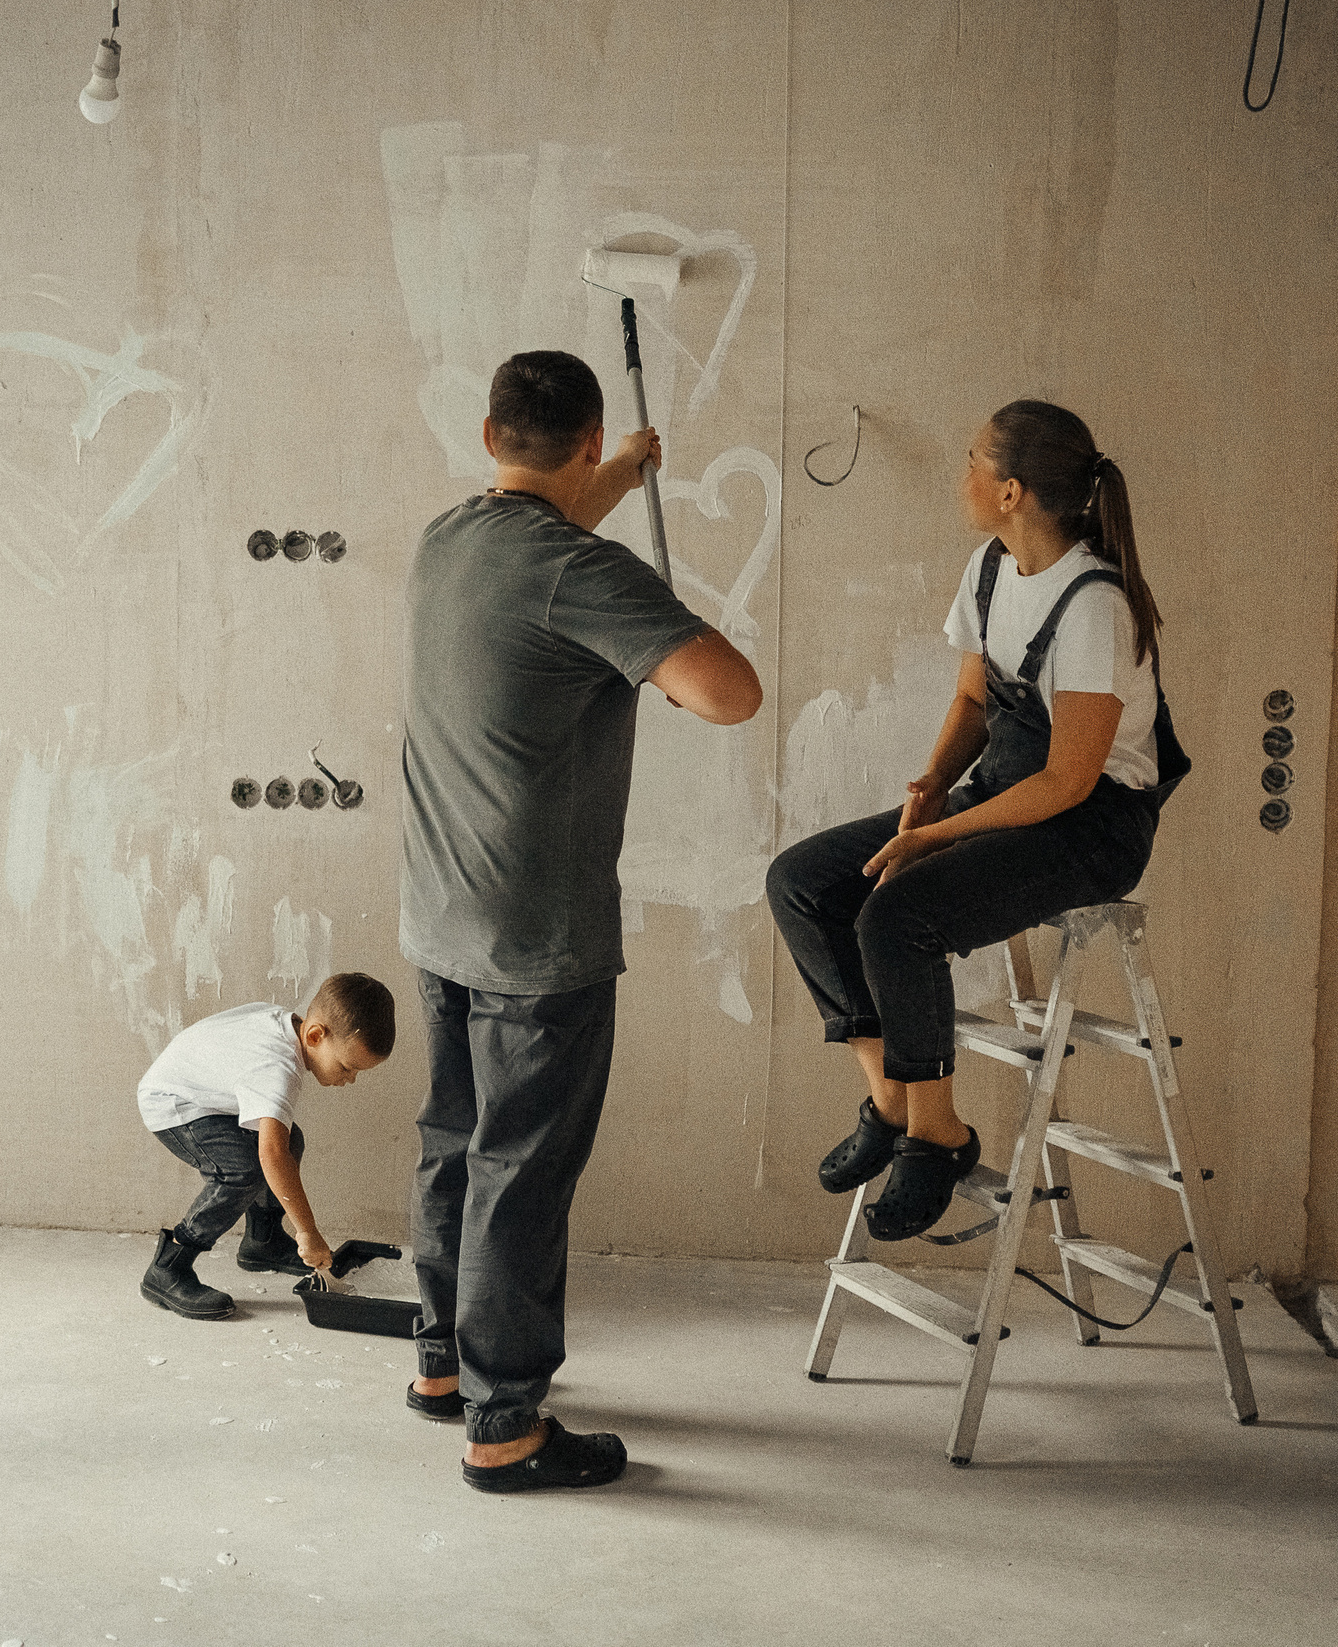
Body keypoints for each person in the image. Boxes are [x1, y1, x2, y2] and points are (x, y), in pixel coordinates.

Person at [400, 350, 764, 1494]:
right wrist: (651, 649)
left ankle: (442, 1370)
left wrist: (621, 475)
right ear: (590, 439)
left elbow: (546, 518)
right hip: (535, 936)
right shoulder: (585, 575)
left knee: (457, 1143)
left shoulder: (449, 539)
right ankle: (505, 1426)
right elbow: (729, 692)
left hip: (442, 912)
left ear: (490, 430)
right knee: (523, 1172)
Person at [764, 399, 1189, 1244]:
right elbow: (971, 696)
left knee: (899, 913)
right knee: (805, 884)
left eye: (972, 461)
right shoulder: (992, 568)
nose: (961, 475)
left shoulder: (1096, 606)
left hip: (1090, 826)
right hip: (1001, 793)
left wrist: (934, 837)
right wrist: (930, 787)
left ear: (1011, 492)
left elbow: (1069, 779)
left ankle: (938, 1135)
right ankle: (890, 1097)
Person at [136, 973, 397, 1320]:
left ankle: (263, 1242)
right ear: (315, 1035)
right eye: (348, 1067)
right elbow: (271, 1155)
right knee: (244, 1168)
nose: (349, 1079)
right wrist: (308, 1232)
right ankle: (168, 1267)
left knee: (291, 1140)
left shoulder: (286, 1027)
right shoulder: (277, 1067)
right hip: (173, 1104)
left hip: (204, 1094)